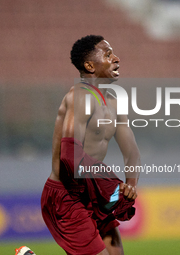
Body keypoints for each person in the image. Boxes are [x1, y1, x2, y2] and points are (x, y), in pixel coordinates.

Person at [41, 35, 141, 255]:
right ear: (89, 65)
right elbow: (69, 156)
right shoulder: (79, 97)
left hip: (93, 191)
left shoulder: (114, 104)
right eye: (107, 54)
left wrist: (130, 184)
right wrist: (110, 181)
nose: (116, 58)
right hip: (67, 195)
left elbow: (131, 152)